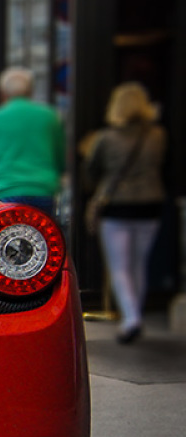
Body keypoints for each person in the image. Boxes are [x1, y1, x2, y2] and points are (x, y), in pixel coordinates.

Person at [85, 82, 166, 344]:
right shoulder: (157, 135)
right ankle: (135, 314)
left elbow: (91, 169)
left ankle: (131, 319)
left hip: (117, 204)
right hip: (150, 202)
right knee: (139, 263)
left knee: (119, 266)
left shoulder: (106, 138)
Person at [0, 67, 65, 218]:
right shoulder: (49, 117)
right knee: (41, 237)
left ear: (2, 94)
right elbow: (60, 157)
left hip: (5, 190)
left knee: (9, 238)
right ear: (30, 92)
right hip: (42, 190)